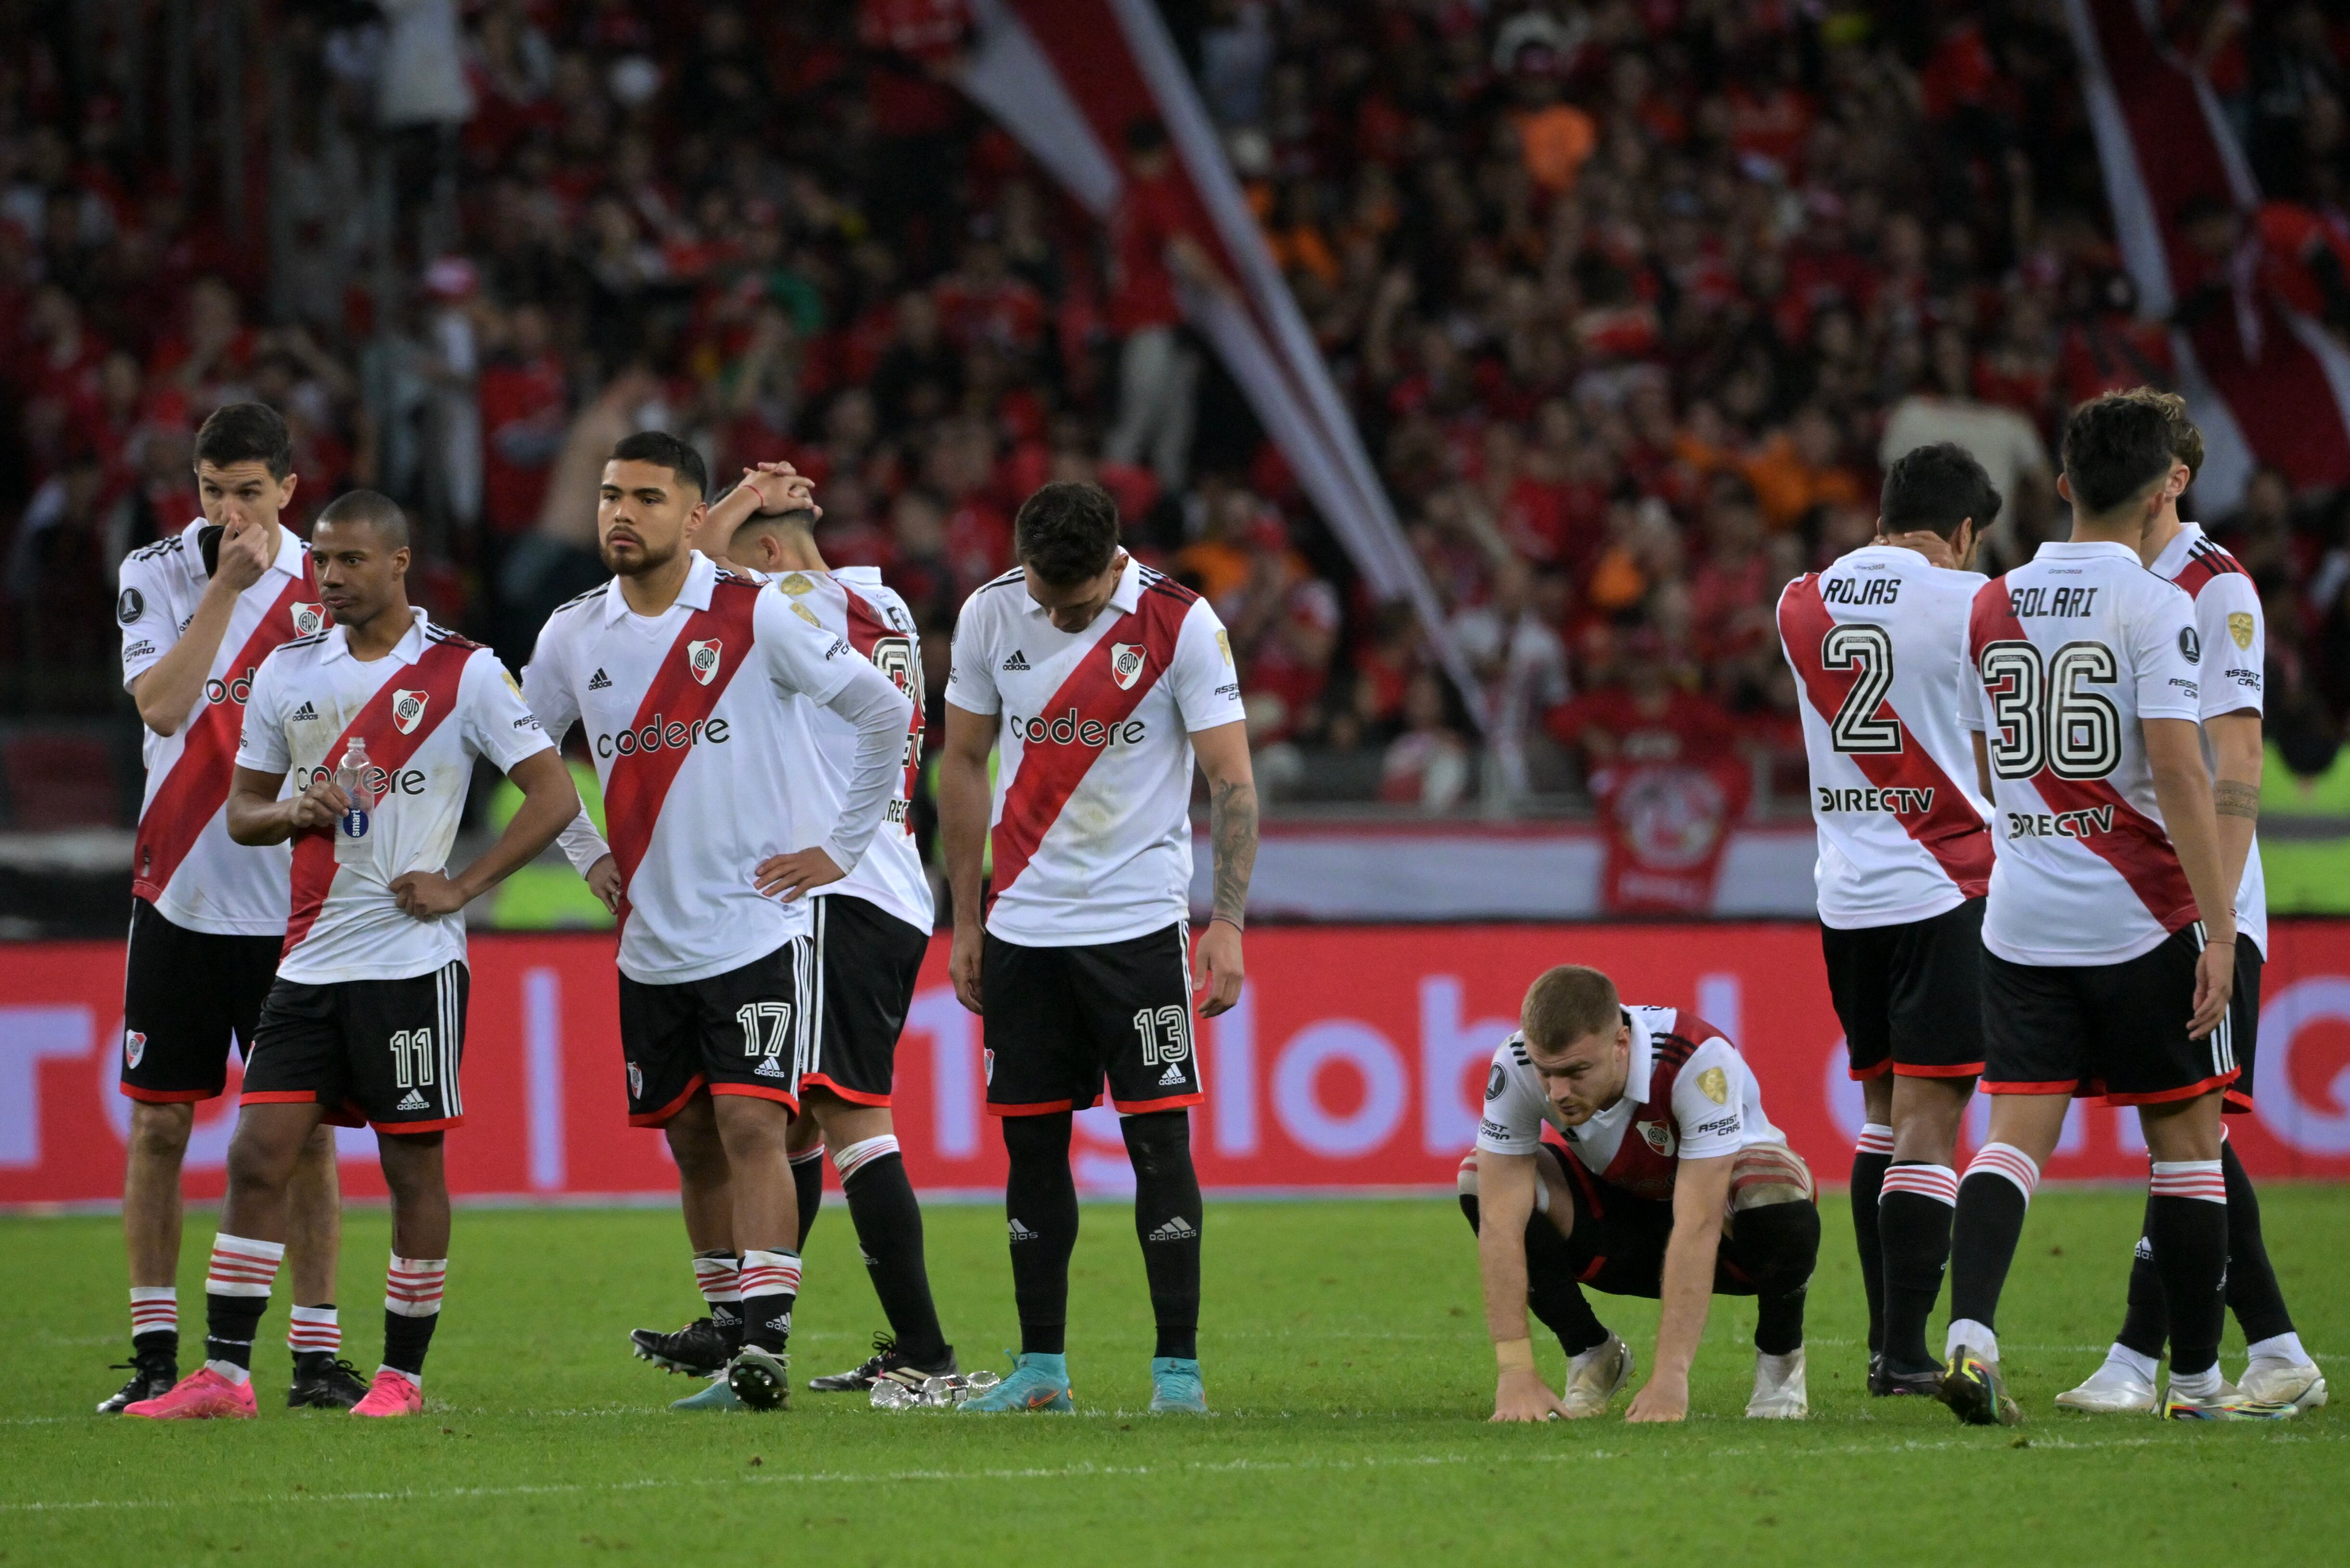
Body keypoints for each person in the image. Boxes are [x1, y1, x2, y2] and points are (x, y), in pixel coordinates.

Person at [126, 490, 578, 1419]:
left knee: (413, 1168)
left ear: (400, 562)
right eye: (321, 561)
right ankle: (225, 1377)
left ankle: (402, 1378)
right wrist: (293, 810)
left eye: (349, 562)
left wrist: (462, 884)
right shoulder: (289, 673)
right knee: (257, 1158)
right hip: (307, 961)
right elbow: (245, 808)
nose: (328, 577)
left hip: (412, 963)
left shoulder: (466, 672)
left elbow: (552, 796)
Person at [521, 432, 913, 1413]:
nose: (621, 513)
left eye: (647, 498)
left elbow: (880, 711)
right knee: (692, 1136)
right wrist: (587, 857)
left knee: (755, 1122)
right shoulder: (572, 634)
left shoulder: (757, 615)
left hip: (755, 924)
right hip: (651, 936)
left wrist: (841, 845)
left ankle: (765, 1347)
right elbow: (527, 750)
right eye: (611, 495)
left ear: (692, 516)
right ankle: (729, 1326)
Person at [1938, 393, 2292, 1425]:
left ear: (2059, 486)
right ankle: (2194, 1383)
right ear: (2159, 493)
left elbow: (1979, 754)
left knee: (2010, 1139)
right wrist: (2219, 926)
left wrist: (2029, 835)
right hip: (2144, 914)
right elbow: (2185, 773)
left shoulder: (1990, 600)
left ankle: (1968, 1335)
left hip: (2020, 914)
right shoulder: (2154, 603)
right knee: (2185, 1148)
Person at [623, 461, 956, 1410]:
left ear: (766, 550)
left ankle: (923, 1352)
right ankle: (748, 1333)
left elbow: (673, 561)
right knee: (795, 1116)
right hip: (889, 877)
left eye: (739, 538)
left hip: (837, 886)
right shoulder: (878, 599)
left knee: (849, 1116)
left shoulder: (789, 603)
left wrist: (725, 504)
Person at [936, 480, 1257, 1415]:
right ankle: (1041, 1371)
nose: (1052, 611)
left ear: (1114, 560)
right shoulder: (992, 612)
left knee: (1158, 1140)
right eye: (1041, 591)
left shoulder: (1179, 622)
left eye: (1070, 603)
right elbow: (960, 761)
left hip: (1137, 927)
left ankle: (1177, 1374)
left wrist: (1227, 921)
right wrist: (966, 917)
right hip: (1022, 930)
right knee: (1029, 1149)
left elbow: (1230, 779)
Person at [2059, 391, 2327, 1414]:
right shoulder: (2099, 581)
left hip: (2198, 900)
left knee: (2189, 1129)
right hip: (2119, 895)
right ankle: (2260, 1351)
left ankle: (2160, 1358)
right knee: (2187, 1133)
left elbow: (2238, 750)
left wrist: (2212, 912)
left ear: (2175, 481)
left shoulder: (2213, 587)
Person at [103, 402, 354, 1414]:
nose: (230, 510)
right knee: (161, 1128)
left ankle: (316, 1356)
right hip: (180, 888)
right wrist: (221, 588)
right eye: (213, 491)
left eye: (249, 491)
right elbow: (162, 705)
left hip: (295, 902)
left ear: (289, 489)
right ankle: (158, 1352)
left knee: (309, 1137)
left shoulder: (330, 580)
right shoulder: (157, 571)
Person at [1774, 442, 1998, 1397]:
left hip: (1845, 897)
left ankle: (1881, 1342)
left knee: (1878, 1115)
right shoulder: (1975, 599)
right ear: (1959, 532)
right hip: (1945, 886)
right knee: (1931, 1120)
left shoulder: (1798, 601)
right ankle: (1906, 1350)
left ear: (1879, 519)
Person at [1463, 965, 1821, 1424]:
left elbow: (1697, 1224)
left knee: (1772, 1184)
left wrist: (1670, 1378)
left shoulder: (1696, 1059)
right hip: (1621, 1227)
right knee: (1479, 1178)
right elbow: (1499, 1221)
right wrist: (1514, 1373)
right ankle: (1592, 1353)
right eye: (1546, 1073)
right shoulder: (1514, 1063)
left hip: (1727, 1241)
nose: (1558, 1093)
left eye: (1576, 1072)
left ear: (1621, 1044)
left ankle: (1780, 1361)